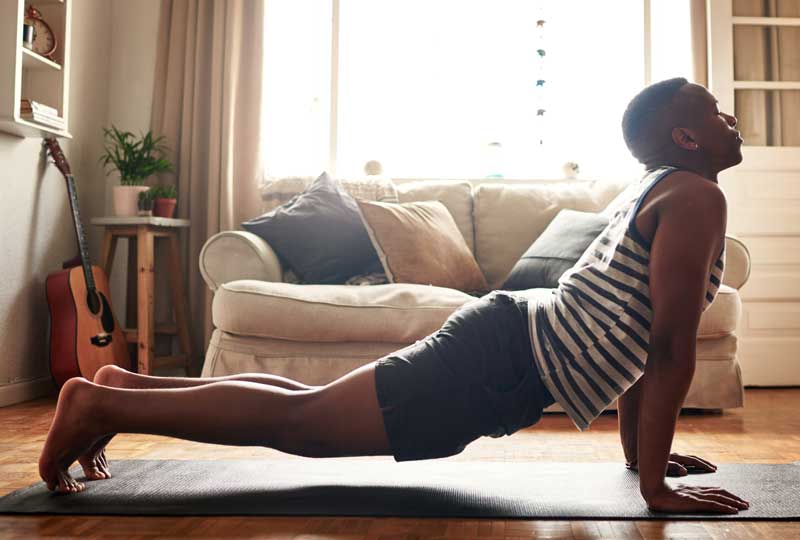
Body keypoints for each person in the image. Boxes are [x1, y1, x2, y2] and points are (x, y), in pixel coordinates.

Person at [39, 78, 750, 515]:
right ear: (686, 137)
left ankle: (121, 385)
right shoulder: (695, 198)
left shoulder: (664, 188)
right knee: (303, 427)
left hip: (502, 352)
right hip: (496, 365)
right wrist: (655, 486)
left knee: (302, 409)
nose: (732, 119)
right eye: (718, 112)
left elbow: (637, 336)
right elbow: (667, 347)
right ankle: (101, 402)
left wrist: (641, 461)